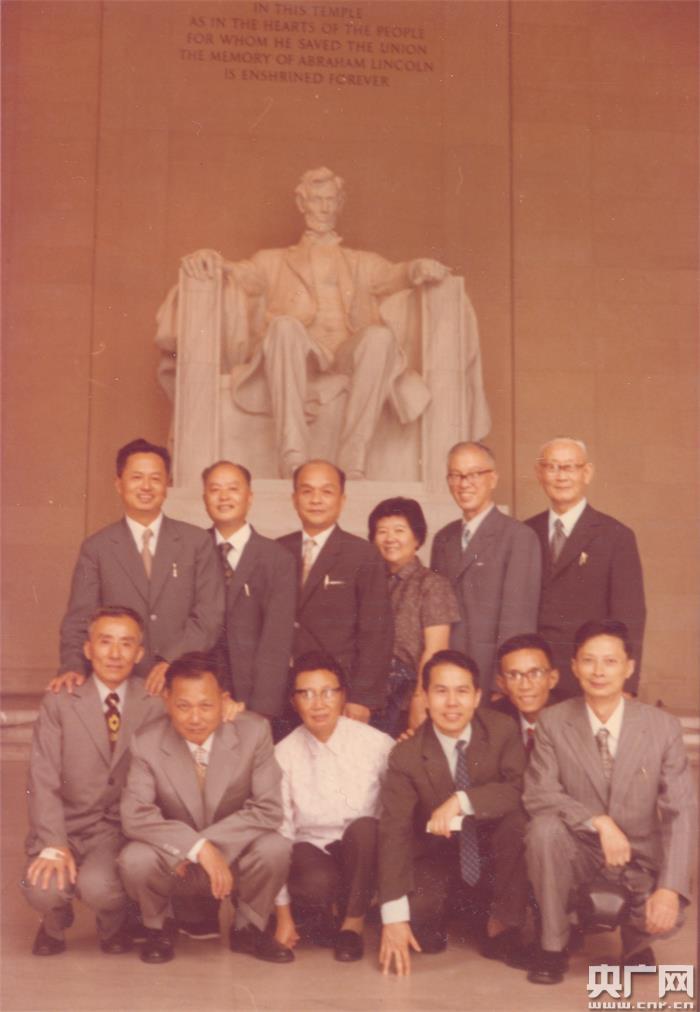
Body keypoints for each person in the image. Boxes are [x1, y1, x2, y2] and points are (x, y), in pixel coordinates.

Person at [176, 166, 451, 478]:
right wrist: (214, 260)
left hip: (346, 354)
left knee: (380, 337)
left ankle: (353, 457)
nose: (324, 208)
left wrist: (417, 267)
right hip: (300, 354)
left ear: (340, 203)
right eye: (317, 200)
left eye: (331, 200)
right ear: (301, 203)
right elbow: (243, 274)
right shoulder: (272, 260)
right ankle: (293, 455)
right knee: (284, 326)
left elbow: (393, 275)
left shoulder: (361, 262)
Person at [524, 620, 696, 985]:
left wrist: (669, 890)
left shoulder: (661, 726)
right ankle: (553, 946)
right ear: (574, 666)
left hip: (639, 858)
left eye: (610, 661)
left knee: (664, 916)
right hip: (581, 851)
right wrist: (599, 822)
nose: (598, 671)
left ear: (629, 667)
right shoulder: (553, 721)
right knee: (543, 829)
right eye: (588, 660)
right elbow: (540, 793)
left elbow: (681, 812)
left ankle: (637, 942)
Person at [118, 652, 292, 965]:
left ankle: (249, 928)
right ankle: (159, 926)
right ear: (166, 700)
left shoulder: (254, 731)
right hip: (177, 862)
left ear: (224, 700)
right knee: (135, 858)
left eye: (206, 706)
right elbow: (135, 815)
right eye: (183, 706)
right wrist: (196, 848)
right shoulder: (146, 741)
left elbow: (269, 809)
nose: (195, 718)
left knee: (274, 846)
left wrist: (205, 846)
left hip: (231, 856)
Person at [22, 607, 164, 956]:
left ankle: (112, 924)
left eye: (126, 644)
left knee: (100, 887)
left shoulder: (155, 702)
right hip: (66, 824)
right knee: (43, 887)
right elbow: (42, 778)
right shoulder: (60, 700)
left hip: (115, 829)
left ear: (139, 653)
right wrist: (54, 843)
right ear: (88, 649)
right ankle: (53, 922)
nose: (115, 654)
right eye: (105, 642)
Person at [378, 650, 529, 977]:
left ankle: (502, 921)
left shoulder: (501, 730)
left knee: (518, 822)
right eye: (440, 691)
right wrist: (394, 918)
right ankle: (452, 910)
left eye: (462, 691)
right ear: (424, 697)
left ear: (477, 697)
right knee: (422, 932)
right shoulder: (405, 755)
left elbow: (518, 789)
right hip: (438, 856)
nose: (451, 703)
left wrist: (462, 800)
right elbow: (394, 832)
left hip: (492, 855)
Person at [53, 438, 224, 695]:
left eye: (155, 478)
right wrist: (72, 665)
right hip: (118, 684)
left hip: (183, 682)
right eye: (136, 477)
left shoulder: (197, 542)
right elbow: (79, 618)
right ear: (118, 484)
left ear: (167, 485)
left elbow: (210, 616)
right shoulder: (96, 547)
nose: (146, 486)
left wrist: (173, 660)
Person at [273, 653, 394, 962]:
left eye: (328, 692)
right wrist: (283, 915)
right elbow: (281, 833)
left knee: (365, 828)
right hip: (314, 850)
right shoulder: (283, 754)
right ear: (293, 701)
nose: (318, 704)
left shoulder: (377, 744)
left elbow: (397, 811)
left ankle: (352, 925)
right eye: (306, 694)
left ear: (343, 696)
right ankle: (327, 909)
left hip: (365, 848)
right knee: (314, 881)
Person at [526, 437, 646, 697]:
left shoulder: (615, 536)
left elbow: (630, 617)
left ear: (587, 473)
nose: (561, 476)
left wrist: (626, 685)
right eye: (552, 467)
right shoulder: (524, 532)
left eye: (569, 467)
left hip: (589, 677)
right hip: (533, 679)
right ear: (539, 473)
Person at [278, 460, 393, 723]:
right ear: (294, 499)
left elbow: (377, 633)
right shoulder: (276, 550)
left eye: (326, 491)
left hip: (339, 693)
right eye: (307, 491)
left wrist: (361, 698)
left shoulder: (363, 554)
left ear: (342, 499)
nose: (316, 500)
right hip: (283, 693)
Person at [431, 442, 541, 700]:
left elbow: (517, 620)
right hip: (449, 678)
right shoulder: (443, 538)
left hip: (491, 678)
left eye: (473, 474)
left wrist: (502, 682)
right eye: (456, 475)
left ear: (493, 479)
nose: (464, 483)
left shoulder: (518, 536)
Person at [202, 459, 296, 722]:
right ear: (204, 498)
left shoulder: (277, 558)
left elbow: (277, 641)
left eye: (233, 488)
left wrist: (260, 709)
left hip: (253, 697)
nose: (224, 496)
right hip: (199, 694)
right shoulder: (192, 550)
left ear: (250, 497)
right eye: (214, 489)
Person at [368, 496, 460, 735]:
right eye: (382, 531)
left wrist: (420, 700)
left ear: (417, 538)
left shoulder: (433, 585)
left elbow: (436, 649)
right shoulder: (369, 583)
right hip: (370, 697)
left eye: (399, 530)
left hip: (406, 700)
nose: (390, 538)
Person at [493, 633, 560, 752]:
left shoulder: (572, 719)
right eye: (514, 675)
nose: (525, 686)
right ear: (502, 684)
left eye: (535, 673)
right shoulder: (493, 721)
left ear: (552, 679)